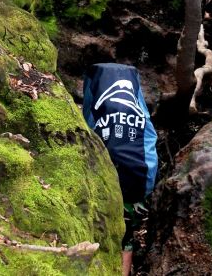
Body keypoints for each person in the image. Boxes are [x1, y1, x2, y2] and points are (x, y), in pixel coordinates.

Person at [82, 63, 158, 276]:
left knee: (99, 232)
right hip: (138, 181)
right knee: (127, 236)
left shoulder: (97, 105)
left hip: (104, 183)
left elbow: (85, 133)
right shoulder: (138, 110)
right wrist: (148, 185)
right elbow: (150, 140)